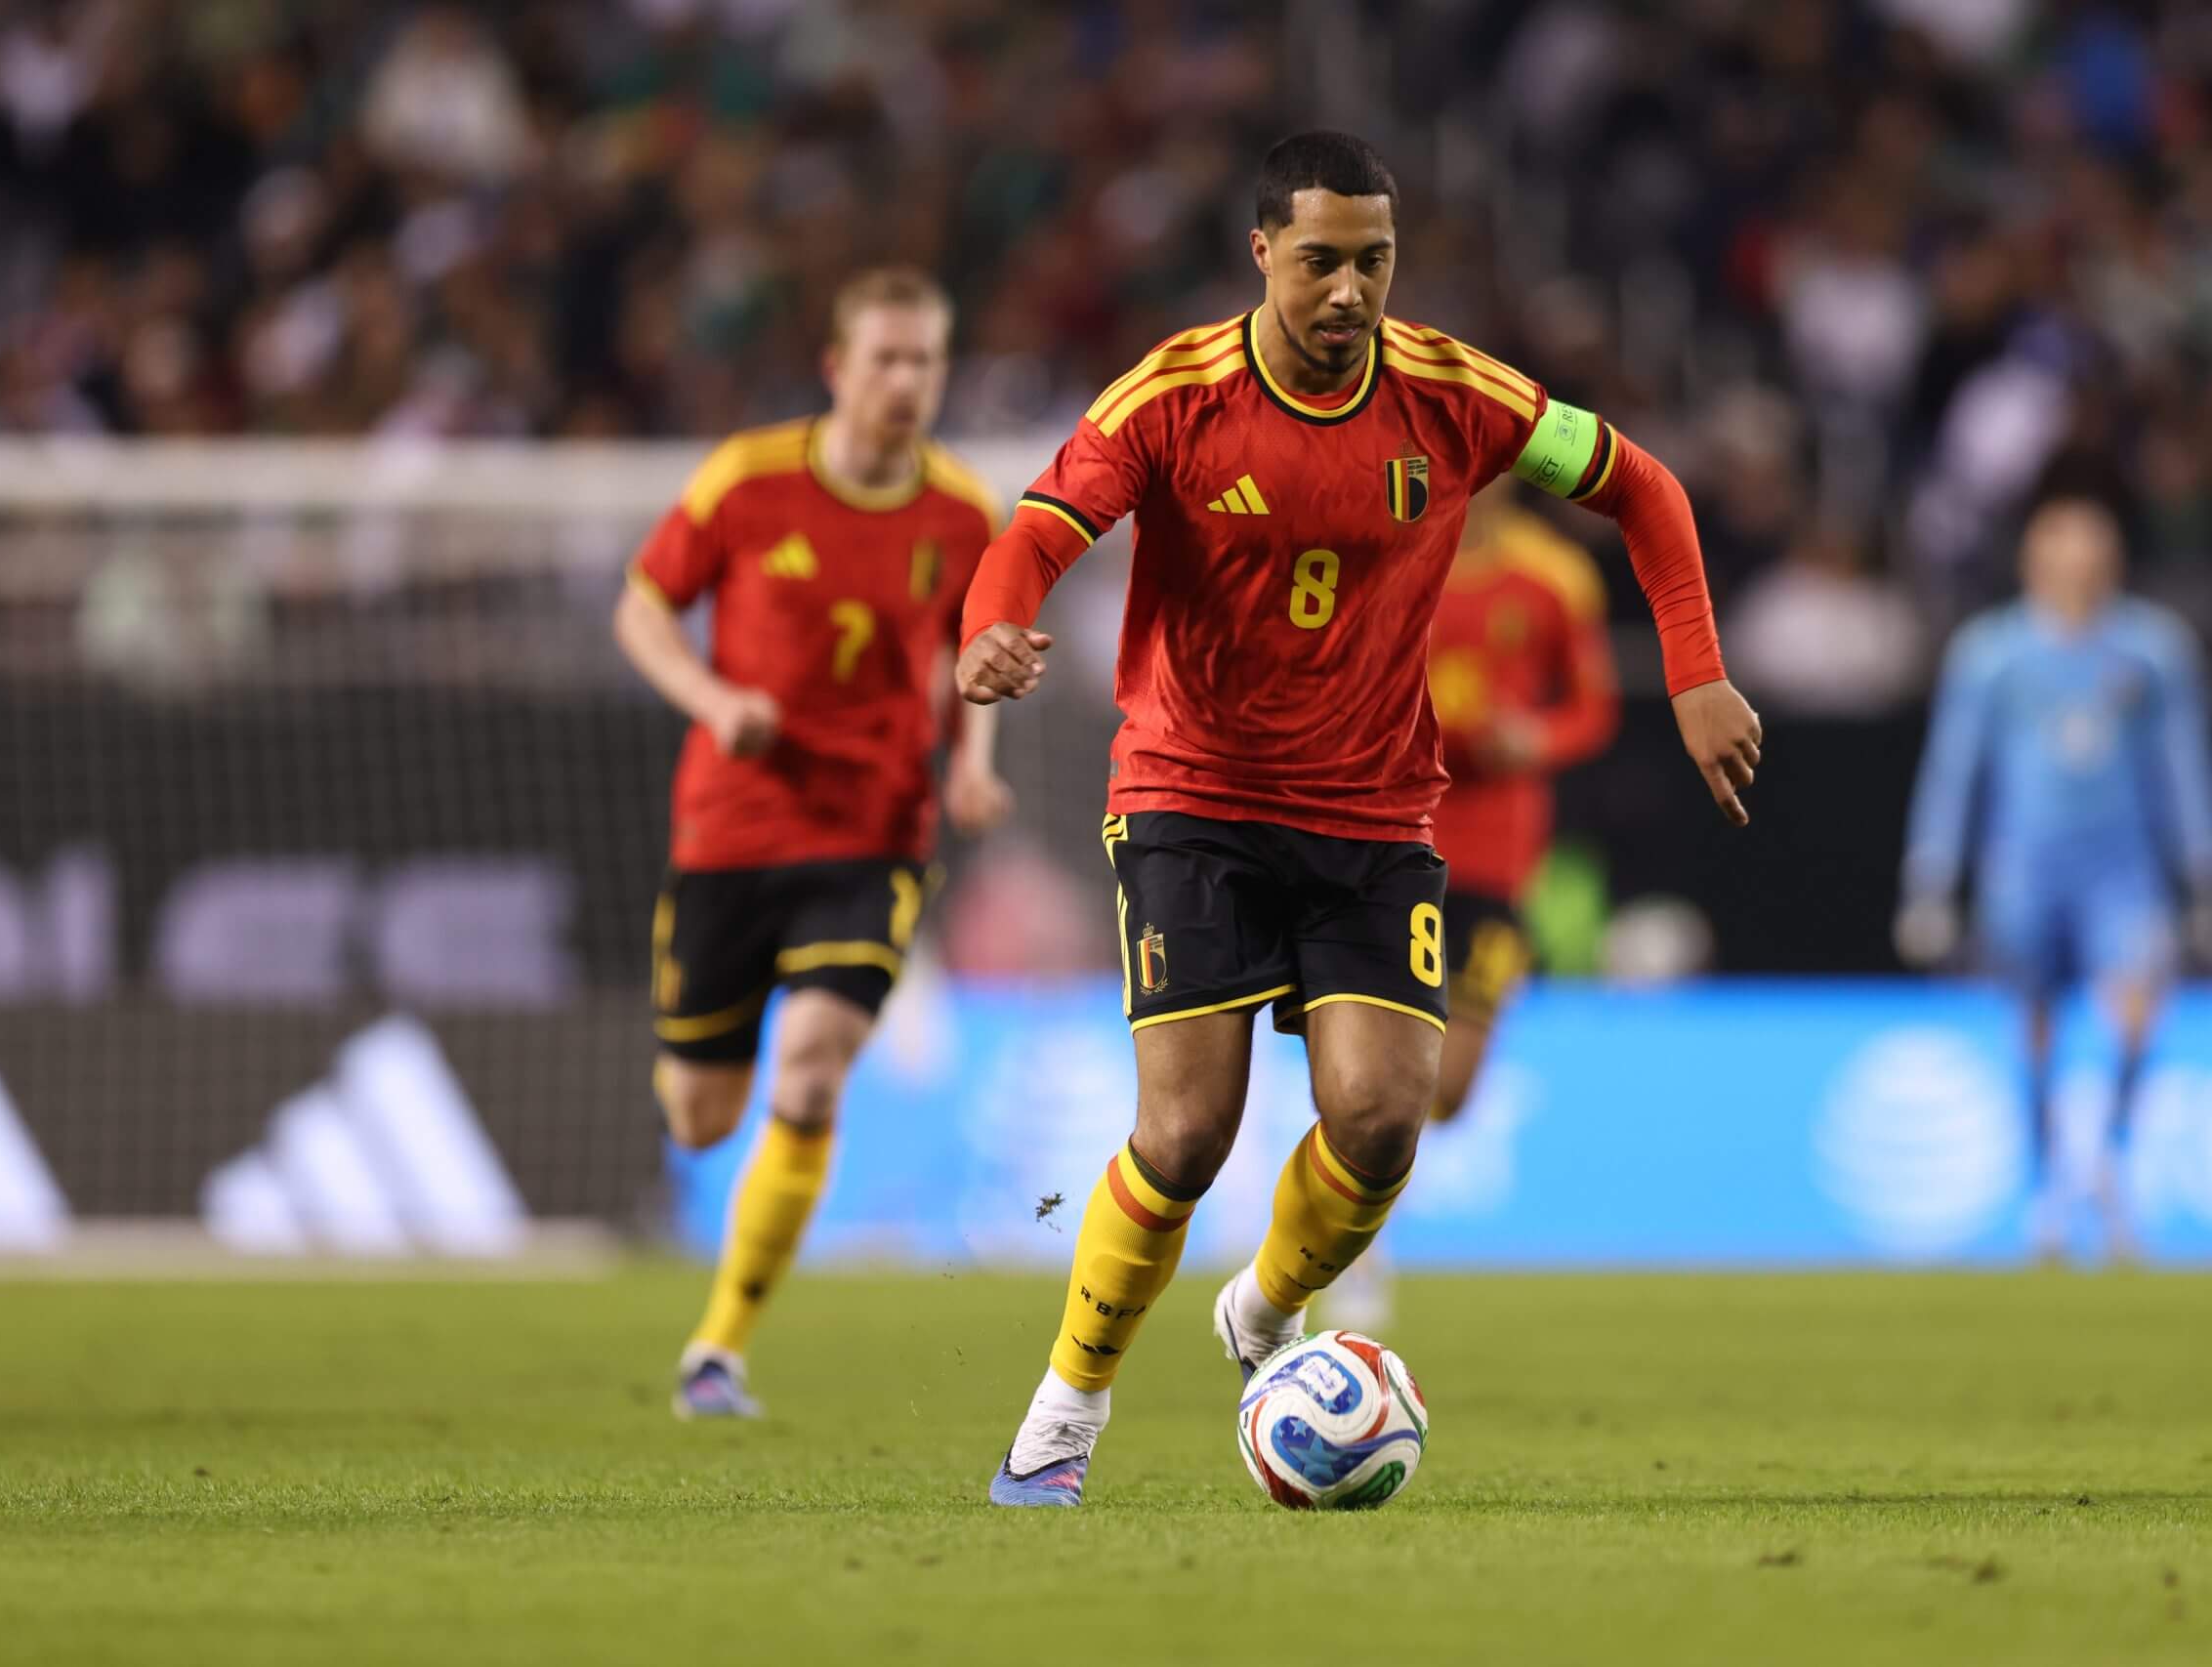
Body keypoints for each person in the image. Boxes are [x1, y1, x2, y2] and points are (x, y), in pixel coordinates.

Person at [954, 132, 1760, 1507]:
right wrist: (989, 626)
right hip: (1191, 792)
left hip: (1377, 807)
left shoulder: (1457, 394)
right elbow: (1038, 527)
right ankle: (1067, 1406)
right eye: (1321, 260)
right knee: (1186, 1134)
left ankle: (1268, 1300)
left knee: (1386, 1118)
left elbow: (1647, 487)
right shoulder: (1174, 394)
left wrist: (1696, 673)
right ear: (1262, 253)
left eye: (1373, 261)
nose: (1348, 291)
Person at [612, 267, 1014, 1418]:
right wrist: (709, 697)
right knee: (703, 1113)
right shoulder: (748, 481)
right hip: (730, 830)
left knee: (815, 1060)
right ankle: (718, 1308)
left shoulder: (960, 512)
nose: (904, 381)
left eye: (924, 361)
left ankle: (719, 1349)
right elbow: (642, 604)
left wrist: (973, 766)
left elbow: (969, 663)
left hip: (874, 832)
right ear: (838, 369)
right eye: (884, 358)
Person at [1897, 498, 2212, 1260]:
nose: (2078, 569)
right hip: (2024, 867)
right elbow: (1955, 769)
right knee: (2036, 1030)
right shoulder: (1992, 653)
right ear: (2034, 562)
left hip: (2122, 867)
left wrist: (2207, 871)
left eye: (2091, 553)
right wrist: (1930, 877)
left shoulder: (2152, 649)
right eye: (2062, 554)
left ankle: (2109, 1154)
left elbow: (2184, 765)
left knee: (2137, 1013)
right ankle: (2049, 1182)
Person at [1325, 479, 1620, 1330]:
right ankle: (1352, 1243)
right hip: (1393, 838)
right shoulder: (1387, 558)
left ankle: (1352, 1201)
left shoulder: (1554, 578)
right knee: (1376, 1060)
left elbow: (1593, 706)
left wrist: (1539, 737)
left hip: (1499, 858)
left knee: (1447, 1091)